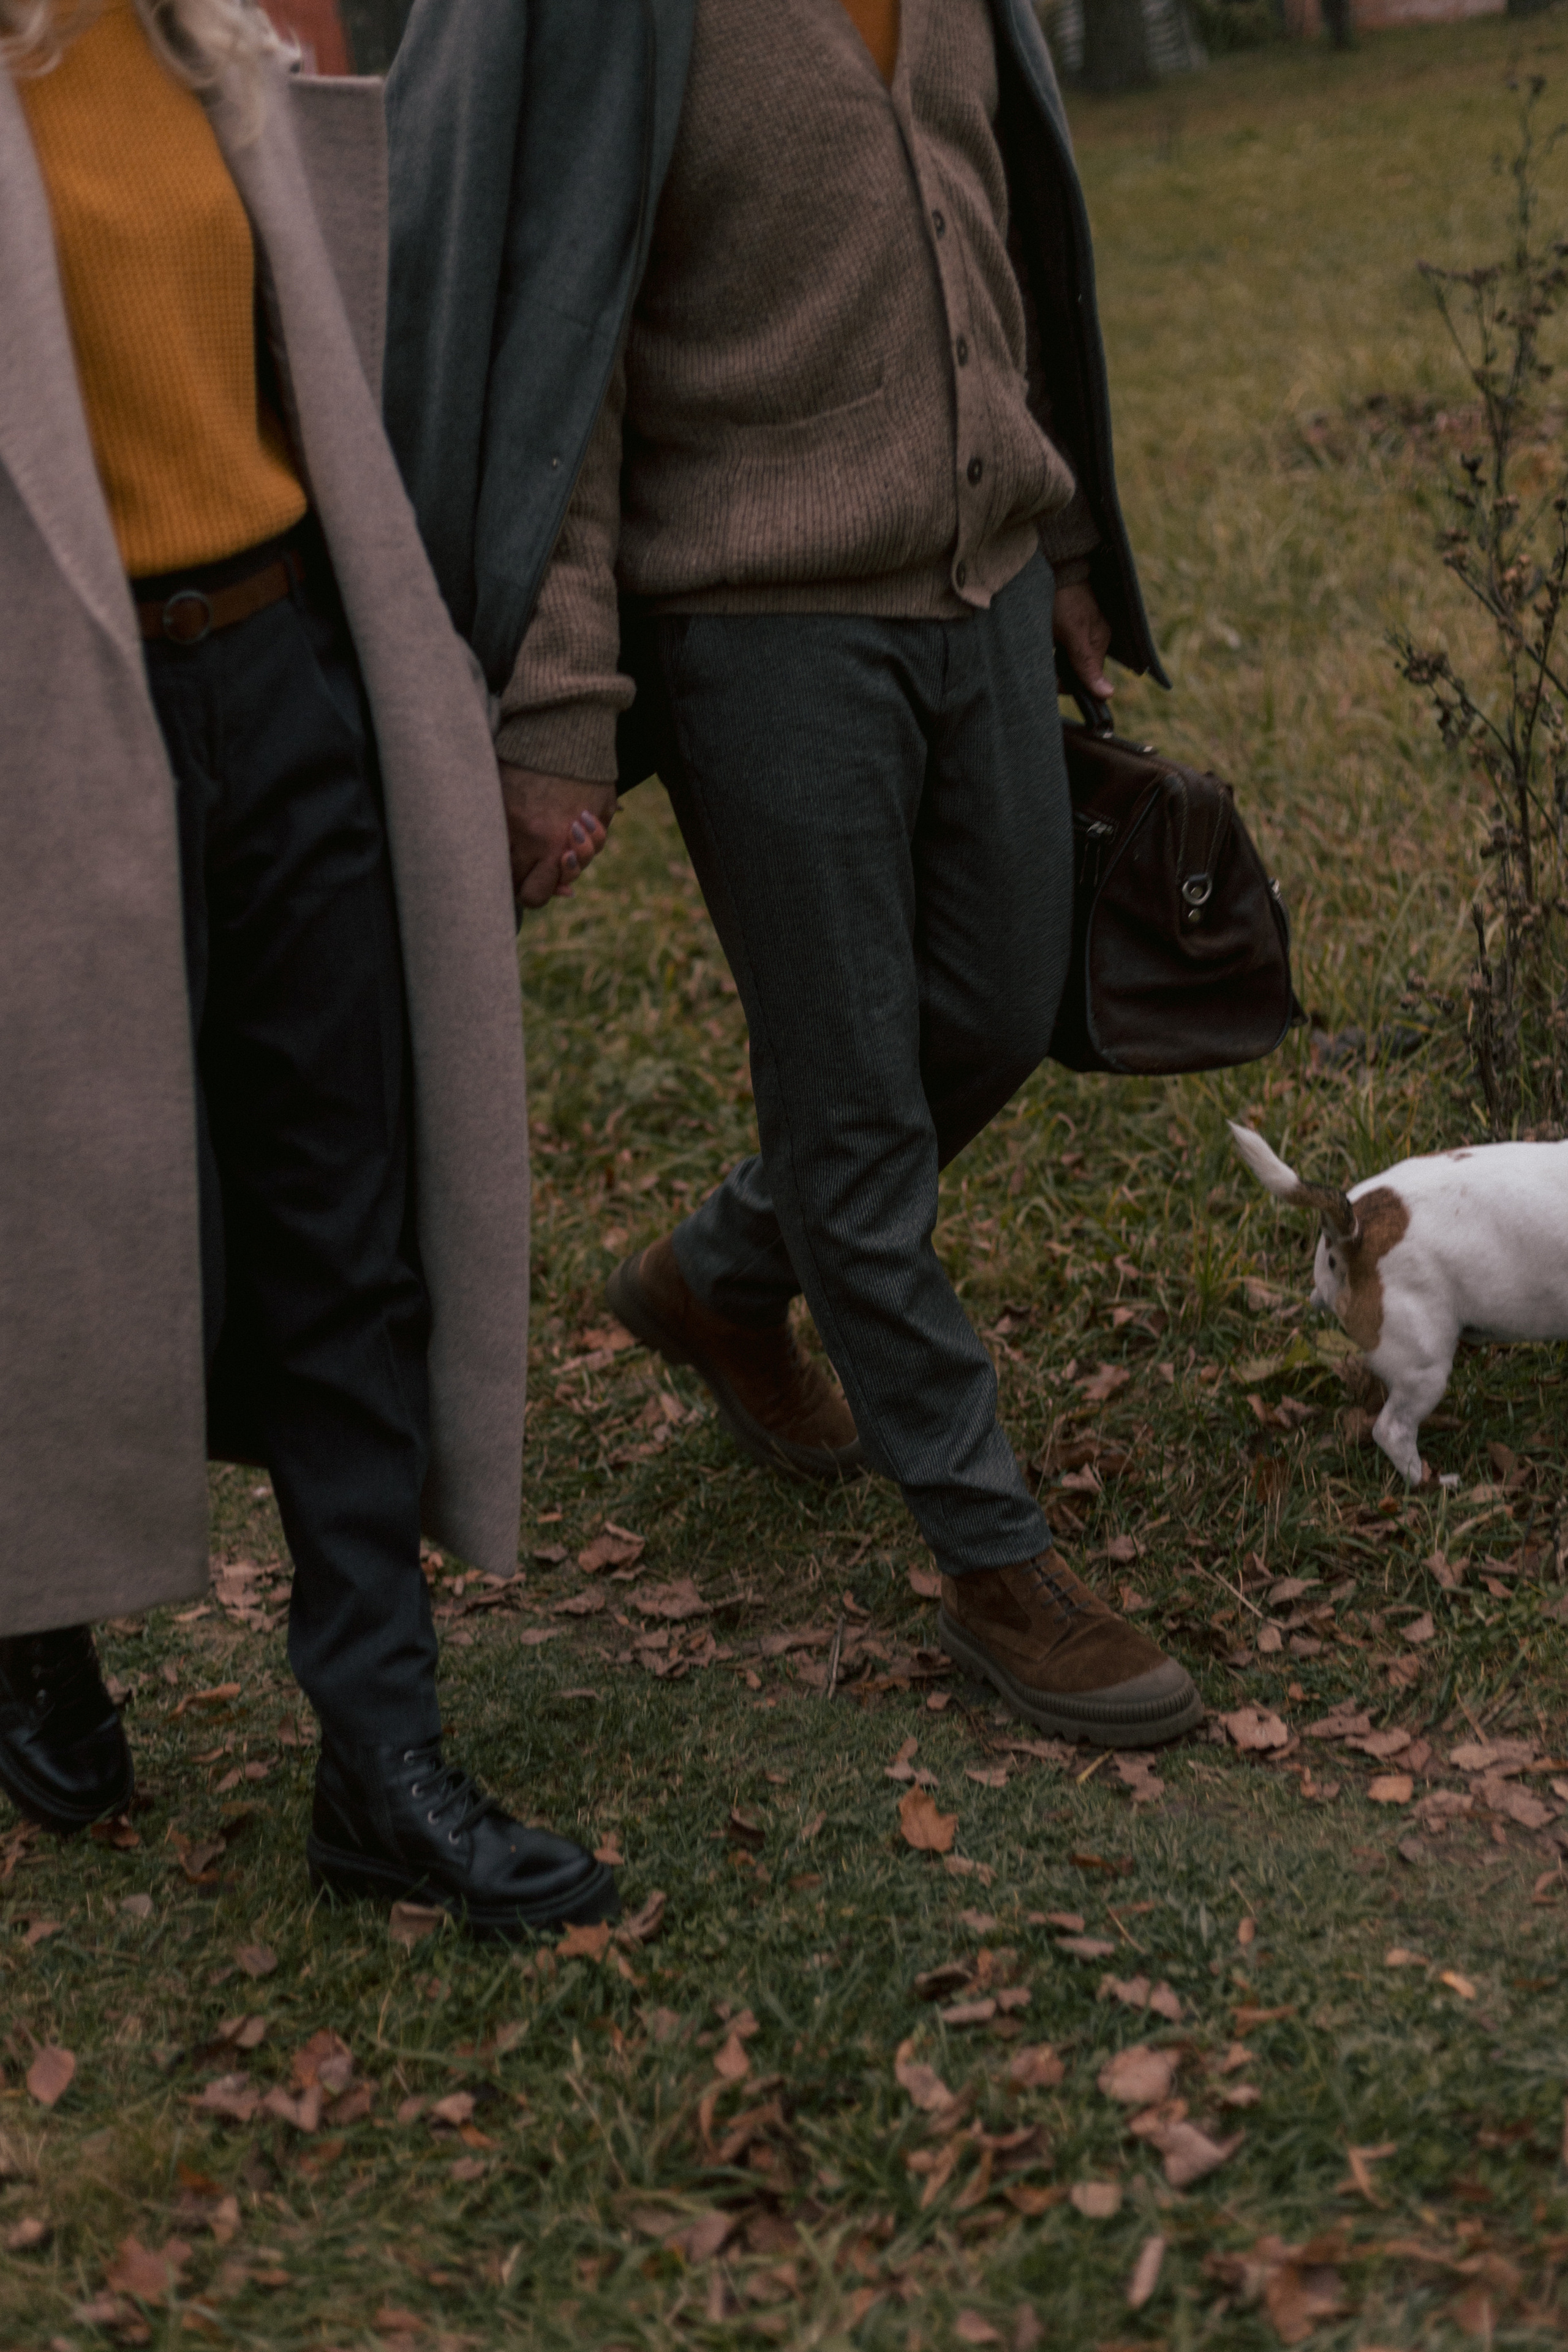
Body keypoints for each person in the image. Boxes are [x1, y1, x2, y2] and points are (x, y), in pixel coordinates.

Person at [385, 0, 1203, 1751]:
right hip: (760, 626)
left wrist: (1062, 545)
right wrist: (559, 703)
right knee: (853, 1104)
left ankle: (717, 1276)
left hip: (977, 584)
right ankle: (994, 1559)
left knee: (990, 1008)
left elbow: (995, 248)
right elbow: (567, 360)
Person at [0, 0, 616, 1931]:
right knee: (76, 1217)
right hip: (45, 715)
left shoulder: (214, 41)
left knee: (342, 1218)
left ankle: (382, 1756)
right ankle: (35, 1626)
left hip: (275, 673)